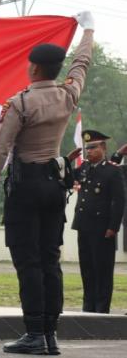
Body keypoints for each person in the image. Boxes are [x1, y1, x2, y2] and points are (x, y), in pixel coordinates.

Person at [0, 11, 94, 356]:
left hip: (26, 189)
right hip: (54, 186)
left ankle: (34, 332)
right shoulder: (68, 96)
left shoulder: (21, 103)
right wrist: (89, 29)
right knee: (50, 260)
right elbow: (81, 64)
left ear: (34, 68)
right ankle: (50, 335)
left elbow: (0, 149)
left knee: (28, 260)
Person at [71, 130, 125, 313]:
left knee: (102, 270)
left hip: (102, 228)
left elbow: (119, 201)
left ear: (103, 148)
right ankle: (88, 307)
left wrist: (113, 227)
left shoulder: (112, 171)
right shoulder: (85, 168)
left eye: (93, 147)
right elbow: (67, 177)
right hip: (84, 226)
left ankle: (101, 309)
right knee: (87, 269)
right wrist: (68, 160)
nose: (89, 152)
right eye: (87, 148)